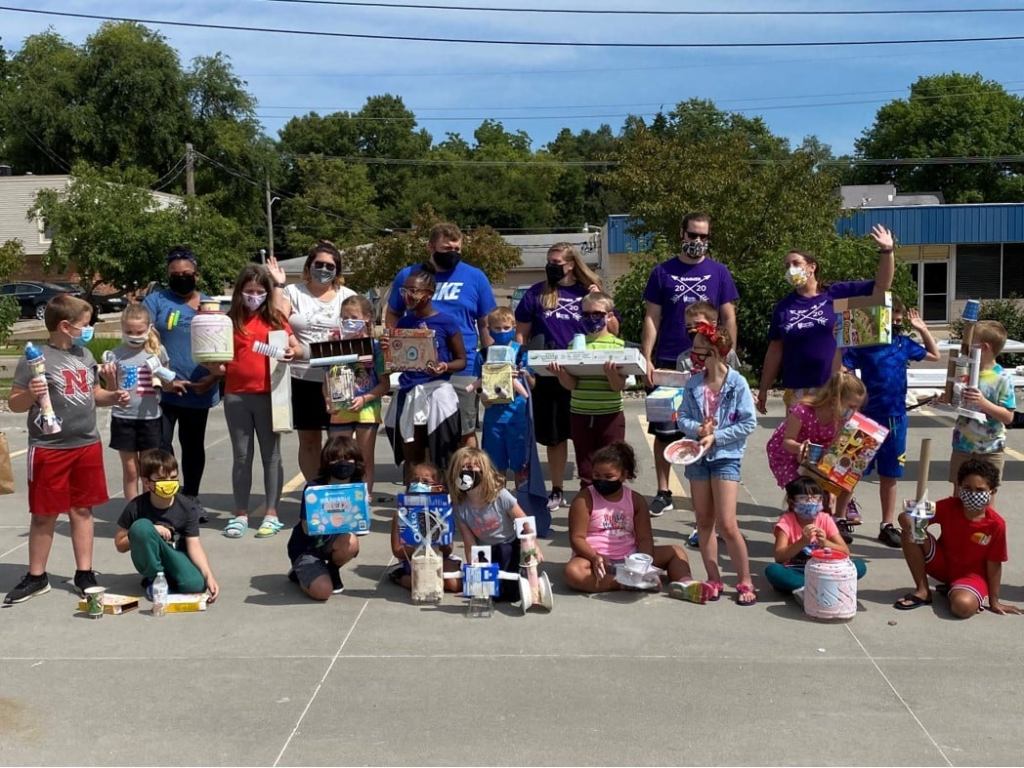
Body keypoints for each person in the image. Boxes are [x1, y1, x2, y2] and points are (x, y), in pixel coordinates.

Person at [4, 294, 129, 604]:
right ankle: (37, 575)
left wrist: (113, 396)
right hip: (49, 447)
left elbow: (92, 393)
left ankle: (84, 572)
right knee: (45, 513)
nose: (89, 330)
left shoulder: (85, 355)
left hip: (86, 443)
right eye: (84, 325)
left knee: (82, 509)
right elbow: (14, 403)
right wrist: (31, 395)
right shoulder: (36, 357)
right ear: (64, 325)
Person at [642, 214, 740, 517]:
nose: (698, 241)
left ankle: (711, 494)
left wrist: (726, 353)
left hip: (708, 361)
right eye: (693, 235)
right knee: (664, 430)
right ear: (681, 233)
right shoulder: (662, 272)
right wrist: (647, 357)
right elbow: (652, 317)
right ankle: (664, 491)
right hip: (670, 360)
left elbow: (729, 317)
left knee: (709, 425)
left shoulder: (719, 272)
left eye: (704, 237)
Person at [514, 242, 613, 512]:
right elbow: (520, 333)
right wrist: (520, 360)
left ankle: (593, 486)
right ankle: (557, 489)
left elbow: (613, 327)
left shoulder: (587, 291)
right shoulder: (537, 293)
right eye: (549, 262)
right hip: (549, 371)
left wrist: (598, 297)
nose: (551, 267)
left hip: (584, 371)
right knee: (555, 437)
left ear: (571, 264)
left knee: (585, 434)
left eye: (556, 262)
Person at [756, 224, 895, 414]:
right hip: (799, 389)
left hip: (836, 385)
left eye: (796, 264)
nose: (791, 269)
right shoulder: (784, 307)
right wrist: (764, 388)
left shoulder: (835, 294)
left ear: (812, 267)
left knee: (837, 441)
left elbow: (881, 286)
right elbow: (775, 351)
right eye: (787, 266)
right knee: (799, 442)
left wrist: (887, 251)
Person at [385, 222, 496, 449]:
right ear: (431, 247)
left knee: (464, 432)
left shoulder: (475, 277)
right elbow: (393, 312)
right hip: (417, 368)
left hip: (462, 366)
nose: (453, 254)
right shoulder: (409, 276)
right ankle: (425, 481)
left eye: (457, 249)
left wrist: (492, 360)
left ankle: (468, 480)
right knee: (418, 434)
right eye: (447, 249)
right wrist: (394, 351)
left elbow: (485, 323)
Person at [842, 300, 940, 546]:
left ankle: (887, 524)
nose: (896, 322)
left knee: (890, 474)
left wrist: (922, 329)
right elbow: (842, 366)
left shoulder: (903, 344)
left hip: (895, 417)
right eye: (891, 317)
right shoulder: (865, 345)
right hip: (865, 417)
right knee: (851, 471)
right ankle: (839, 517)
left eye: (899, 318)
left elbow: (935, 355)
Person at [563, 442, 709, 601]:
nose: (601, 481)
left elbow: (644, 538)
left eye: (608, 477)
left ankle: (684, 583)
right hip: (595, 559)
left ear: (624, 475)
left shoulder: (635, 500)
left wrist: (643, 563)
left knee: (676, 552)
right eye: (596, 476)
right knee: (574, 572)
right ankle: (620, 583)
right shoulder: (584, 499)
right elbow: (577, 538)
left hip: (630, 558)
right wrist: (594, 556)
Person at [676, 324, 758, 605]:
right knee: (704, 522)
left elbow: (748, 422)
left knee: (727, 523)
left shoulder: (737, 383)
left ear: (713, 352)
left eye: (697, 348)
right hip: (698, 457)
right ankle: (714, 578)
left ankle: (745, 579)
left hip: (726, 457)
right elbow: (682, 418)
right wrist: (699, 430)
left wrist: (717, 436)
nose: (692, 354)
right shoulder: (693, 384)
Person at [219, 265, 302, 540]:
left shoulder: (276, 319)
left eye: (259, 291)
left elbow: (297, 346)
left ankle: (271, 513)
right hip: (236, 396)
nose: (254, 296)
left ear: (267, 293)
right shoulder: (229, 320)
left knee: (271, 455)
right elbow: (214, 358)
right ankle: (240, 513)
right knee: (242, 456)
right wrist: (214, 366)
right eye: (249, 291)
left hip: (270, 395)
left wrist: (292, 351)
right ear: (239, 292)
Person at [143, 246, 222, 522]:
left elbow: (222, 347)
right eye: (175, 274)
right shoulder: (155, 302)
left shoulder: (209, 304)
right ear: (168, 275)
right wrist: (165, 378)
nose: (181, 278)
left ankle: (191, 499)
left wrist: (213, 378)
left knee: (192, 446)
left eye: (186, 274)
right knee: (162, 446)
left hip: (198, 389)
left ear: (196, 274)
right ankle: (166, 499)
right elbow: (144, 341)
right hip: (164, 391)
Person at [268, 241, 356, 480]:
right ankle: (315, 490)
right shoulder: (293, 292)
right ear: (309, 265)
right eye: (319, 264)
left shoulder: (348, 296)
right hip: (301, 376)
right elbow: (276, 321)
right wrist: (277, 284)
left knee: (340, 442)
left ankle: (340, 487)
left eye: (331, 265)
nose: (325, 269)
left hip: (339, 379)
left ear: (338, 270)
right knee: (309, 440)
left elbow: (358, 334)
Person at [648, 300, 741, 519]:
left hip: (722, 426)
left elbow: (735, 387)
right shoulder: (684, 358)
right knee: (698, 473)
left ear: (713, 324)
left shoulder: (728, 355)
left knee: (722, 472)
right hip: (697, 425)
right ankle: (702, 521)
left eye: (697, 325)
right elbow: (684, 394)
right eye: (688, 327)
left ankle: (722, 518)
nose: (692, 331)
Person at [893, 458, 1019, 617]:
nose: (973, 494)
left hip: (972, 577)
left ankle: (960, 592)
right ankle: (923, 590)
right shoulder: (950, 505)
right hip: (942, 564)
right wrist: (912, 520)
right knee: (909, 532)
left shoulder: (996, 524)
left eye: (980, 490)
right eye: (967, 488)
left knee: (962, 607)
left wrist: (995, 601)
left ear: (992, 491)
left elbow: (994, 564)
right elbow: (904, 516)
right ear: (959, 488)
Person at [765, 371, 867, 542]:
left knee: (822, 498)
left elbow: (835, 452)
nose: (854, 412)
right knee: (802, 494)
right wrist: (800, 448)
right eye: (851, 406)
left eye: (857, 407)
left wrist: (836, 483)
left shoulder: (841, 420)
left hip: (817, 456)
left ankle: (818, 535)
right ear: (836, 400)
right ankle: (790, 535)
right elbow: (787, 441)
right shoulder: (802, 411)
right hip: (786, 455)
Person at [384, 270, 466, 478]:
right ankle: (413, 498)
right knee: (412, 450)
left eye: (413, 291)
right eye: (404, 290)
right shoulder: (404, 323)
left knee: (443, 451)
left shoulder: (447, 322)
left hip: (438, 391)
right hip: (410, 391)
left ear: (428, 294)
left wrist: (444, 367)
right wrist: (387, 349)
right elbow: (397, 362)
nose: (407, 296)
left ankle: (445, 497)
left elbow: (461, 360)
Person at [100, 304, 187, 501]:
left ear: (148, 328)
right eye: (129, 331)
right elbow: (113, 391)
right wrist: (111, 379)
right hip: (124, 418)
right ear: (122, 329)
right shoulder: (115, 354)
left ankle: (150, 510)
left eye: (139, 331)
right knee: (131, 471)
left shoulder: (157, 352)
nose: (134, 335)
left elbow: (167, 386)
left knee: (149, 470)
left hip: (150, 418)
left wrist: (165, 378)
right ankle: (133, 513)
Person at [113, 449, 219, 601]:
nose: (169, 483)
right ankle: (154, 578)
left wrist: (208, 575)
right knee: (141, 526)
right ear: (147, 482)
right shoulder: (136, 507)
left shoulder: (187, 507)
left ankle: (170, 579)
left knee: (195, 585)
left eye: (173, 478)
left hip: (176, 556)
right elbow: (120, 544)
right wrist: (150, 530)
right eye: (162, 479)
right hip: (150, 560)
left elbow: (194, 545)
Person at [549, 292, 626, 487]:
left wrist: (610, 374)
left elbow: (618, 387)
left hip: (610, 415)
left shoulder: (619, 346)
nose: (591, 318)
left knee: (612, 465)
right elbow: (572, 385)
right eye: (586, 314)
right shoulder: (574, 345)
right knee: (585, 467)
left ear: (609, 315)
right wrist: (560, 374)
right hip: (580, 414)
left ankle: (612, 509)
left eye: (597, 313)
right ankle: (588, 511)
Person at [448, 446, 537, 601]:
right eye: (462, 468)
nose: (466, 471)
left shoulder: (501, 495)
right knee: (488, 593)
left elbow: (524, 522)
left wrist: (533, 548)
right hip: (484, 551)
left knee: (511, 594)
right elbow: (469, 543)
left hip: (509, 546)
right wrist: (474, 571)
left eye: (471, 467)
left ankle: (526, 582)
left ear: (484, 470)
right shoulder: (460, 506)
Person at [286, 436, 363, 600]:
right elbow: (307, 528)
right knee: (323, 592)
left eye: (348, 458)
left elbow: (360, 526)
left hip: (333, 544)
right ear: (327, 462)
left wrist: (362, 511)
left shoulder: (356, 487)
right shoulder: (314, 489)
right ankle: (299, 574)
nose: (343, 463)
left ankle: (332, 569)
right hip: (307, 548)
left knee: (351, 542)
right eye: (335, 459)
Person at [326, 295, 388, 493]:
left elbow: (384, 385)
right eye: (344, 318)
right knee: (337, 456)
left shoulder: (376, 348)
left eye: (353, 317)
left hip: (367, 410)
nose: (348, 322)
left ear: (367, 318)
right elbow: (326, 378)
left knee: (364, 457)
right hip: (340, 411)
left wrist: (364, 398)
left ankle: (364, 496)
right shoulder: (333, 346)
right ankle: (339, 494)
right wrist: (327, 399)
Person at [764, 476, 866, 597]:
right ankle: (824, 587)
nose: (811, 502)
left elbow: (846, 552)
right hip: (797, 570)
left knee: (859, 566)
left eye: (815, 498)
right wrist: (802, 542)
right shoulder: (786, 521)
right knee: (773, 571)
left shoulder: (824, 519)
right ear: (792, 502)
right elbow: (779, 557)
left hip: (825, 570)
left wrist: (826, 543)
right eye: (804, 498)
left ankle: (811, 588)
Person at [946, 320, 1015, 490]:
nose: (966, 346)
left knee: (986, 497)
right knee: (959, 494)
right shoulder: (965, 373)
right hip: (963, 446)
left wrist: (983, 403)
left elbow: (1008, 417)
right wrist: (945, 399)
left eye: (970, 342)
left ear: (984, 347)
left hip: (990, 448)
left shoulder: (1002, 378)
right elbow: (957, 401)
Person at [388, 461, 462, 593]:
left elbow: (448, 549)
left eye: (426, 482)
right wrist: (422, 547)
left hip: (438, 557)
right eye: (415, 481)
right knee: (418, 582)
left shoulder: (443, 512)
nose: (419, 485)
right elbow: (397, 550)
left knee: (454, 585)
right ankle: (402, 577)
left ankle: (428, 580)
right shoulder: (401, 513)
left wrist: (438, 545)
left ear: (438, 487)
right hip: (413, 560)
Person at [478, 306, 532, 483]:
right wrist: (483, 395)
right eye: (497, 328)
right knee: (495, 466)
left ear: (514, 326)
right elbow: (478, 385)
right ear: (490, 329)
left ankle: (522, 503)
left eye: (506, 328)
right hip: (493, 416)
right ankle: (499, 502)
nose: (502, 332)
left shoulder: (522, 352)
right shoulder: (484, 354)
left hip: (517, 415)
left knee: (521, 465)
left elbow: (533, 385)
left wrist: (523, 374)